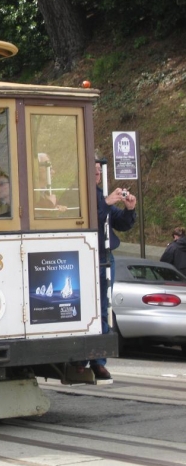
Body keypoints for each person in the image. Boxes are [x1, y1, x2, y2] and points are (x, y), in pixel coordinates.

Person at [79, 161, 136, 380]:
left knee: (102, 306)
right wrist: (106, 201)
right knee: (82, 306)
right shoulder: (80, 194)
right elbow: (91, 217)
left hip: (104, 255)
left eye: (98, 172)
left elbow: (118, 221)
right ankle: (80, 359)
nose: (97, 175)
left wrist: (129, 209)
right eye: (93, 172)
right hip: (85, 254)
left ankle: (98, 360)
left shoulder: (99, 194)